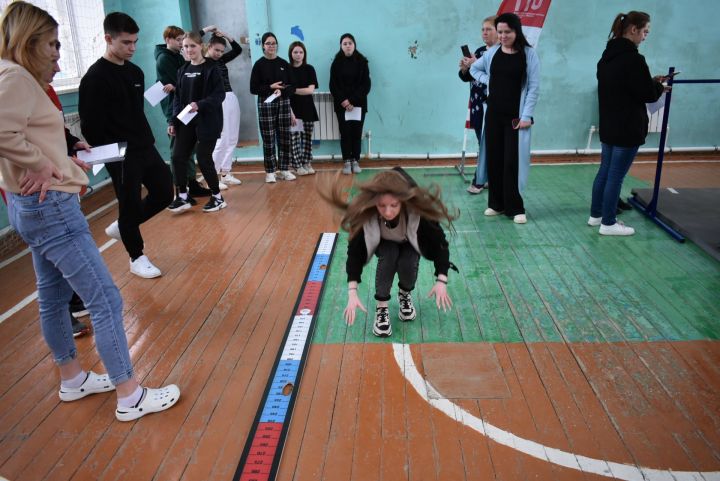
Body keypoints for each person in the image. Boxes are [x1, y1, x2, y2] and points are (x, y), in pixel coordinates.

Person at [0, 1, 179, 421]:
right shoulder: (16, 78)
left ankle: (72, 378)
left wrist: (61, 149)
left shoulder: (12, 77)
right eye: (51, 45)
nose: (57, 54)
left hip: (33, 207)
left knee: (52, 295)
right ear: (29, 43)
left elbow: (25, 130)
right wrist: (43, 164)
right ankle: (130, 395)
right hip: (52, 209)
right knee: (104, 299)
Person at [79, 12, 174, 278]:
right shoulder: (95, 78)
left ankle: (124, 226)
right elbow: (90, 125)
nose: (132, 48)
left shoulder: (135, 71)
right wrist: (110, 153)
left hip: (145, 145)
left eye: (135, 42)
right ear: (108, 39)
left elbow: (135, 111)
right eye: (126, 43)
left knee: (165, 191)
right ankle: (136, 256)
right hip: (119, 153)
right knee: (129, 203)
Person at [318, 167, 457, 337]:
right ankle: (381, 308)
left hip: (408, 242)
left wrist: (441, 280)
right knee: (390, 254)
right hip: (384, 243)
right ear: (374, 202)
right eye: (381, 206)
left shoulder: (418, 214)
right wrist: (352, 292)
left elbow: (440, 244)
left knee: (409, 259)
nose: (388, 212)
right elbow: (355, 253)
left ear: (403, 201)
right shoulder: (367, 216)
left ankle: (404, 294)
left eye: (394, 205)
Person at [589, 11, 665, 236]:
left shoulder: (606, 57)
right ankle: (609, 223)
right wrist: (658, 86)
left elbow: (625, 87)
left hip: (610, 125)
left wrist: (650, 83)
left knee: (605, 171)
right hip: (628, 126)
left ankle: (596, 216)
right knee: (616, 176)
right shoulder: (634, 59)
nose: (645, 37)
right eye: (645, 32)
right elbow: (647, 94)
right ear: (633, 30)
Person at [471, 13, 540, 225]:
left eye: (507, 32)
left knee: (512, 162)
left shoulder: (529, 54)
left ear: (516, 31)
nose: (502, 36)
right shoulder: (492, 53)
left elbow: (533, 87)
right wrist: (487, 79)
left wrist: (526, 115)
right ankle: (496, 204)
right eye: (499, 32)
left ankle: (515, 207)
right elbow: (474, 68)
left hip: (515, 118)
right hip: (493, 115)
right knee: (495, 159)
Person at [45, 59, 93, 337]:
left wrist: (71, 141)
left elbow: (52, 128)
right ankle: (65, 310)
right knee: (55, 252)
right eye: (51, 51)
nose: (59, 64)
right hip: (38, 188)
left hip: (61, 180)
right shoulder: (14, 84)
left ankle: (74, 299)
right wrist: (40, 165)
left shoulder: (44, 87)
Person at [167, 31, 226, 213]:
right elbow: (177, 98)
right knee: (177, 157)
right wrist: (173, 121)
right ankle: (183, 196)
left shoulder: (212, 68)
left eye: (192, 46)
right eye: (185, 46)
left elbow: (219, 95)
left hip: (208, 121)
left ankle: (217, 197)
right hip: (186, 121)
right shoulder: (182, 70)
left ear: (202, 46)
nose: (189, 49)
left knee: (203, 158)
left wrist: (199, 105)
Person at [154, 26, 211, 199]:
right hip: (175, 109)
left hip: (186, 108)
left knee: (189, 148)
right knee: (178, 151)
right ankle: (181, 188)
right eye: (179, 41)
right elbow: (181, 85)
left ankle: (191, 183)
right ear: (167, 40)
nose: (182, 45)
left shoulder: (177, 56)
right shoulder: (164, 58)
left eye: (183, 41)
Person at [249, 32, 296, 183]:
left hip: (283, 102)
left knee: (284, 136)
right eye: (268, 43)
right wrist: (270, 87)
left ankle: (284, 169)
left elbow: (292, 86)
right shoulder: (259, 64)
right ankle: (270, 171)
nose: (271, 46)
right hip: (266, 103)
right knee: (268, 138)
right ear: (263, 46)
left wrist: (282, 90)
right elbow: (253, 88)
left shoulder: (284, 63)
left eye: (274, 43)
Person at [459, 16, 497, 194]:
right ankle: (489, 177)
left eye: (489, 29)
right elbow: (468, 77)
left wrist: (476, 65)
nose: (484, 32)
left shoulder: (499, 52)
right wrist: (465, 68)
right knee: (483, 143)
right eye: (483, 29)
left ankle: (479, 180)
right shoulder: (480, 51)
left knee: (487, 142)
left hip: (490, 104)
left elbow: (496, 76)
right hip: (476, 105)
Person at [202, 26, 243, 188]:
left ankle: (226, 172)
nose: (219, 53)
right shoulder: (203, 63)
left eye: (221, 50)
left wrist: (225, 35)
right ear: (209, 47)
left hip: (230, 96)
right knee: (222, 137)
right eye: (216, 50)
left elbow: (238, 50)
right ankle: (213, 177)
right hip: (217, 100)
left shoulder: (220, 60)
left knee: (232, 137)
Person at [330, 33, 371, 175]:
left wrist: (352, 100)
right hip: (342, 106)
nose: (347, 46)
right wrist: (345, 101)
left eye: (350, 43)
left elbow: (366, 85)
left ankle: (355, 160)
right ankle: (347, 161)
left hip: (358, 105)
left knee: (356, 133)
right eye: (344, 43)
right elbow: (333, 85)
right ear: (341, 46)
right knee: (345, 133)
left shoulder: (362, 62)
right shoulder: (336, 63)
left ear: (354, 45)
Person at [288, 41, 319, 176]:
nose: (298, 55)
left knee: (307, 138)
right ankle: (297, 165)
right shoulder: (287, 69)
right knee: (294, 139)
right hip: (294, 111)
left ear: (304, 54)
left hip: (307, 109)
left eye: (301, 52)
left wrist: (293, 90)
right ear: (291, 53)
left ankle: (307, 162)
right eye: (295, 52)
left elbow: (310, 90)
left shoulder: (309, 69)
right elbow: (285, 93)